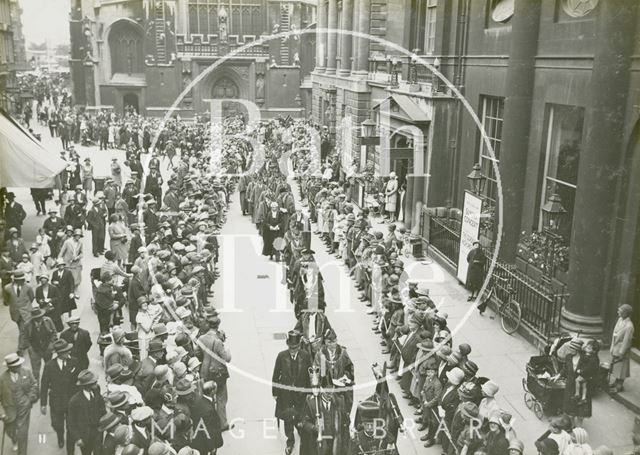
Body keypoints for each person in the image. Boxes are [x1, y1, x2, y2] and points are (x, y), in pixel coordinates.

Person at [272, 330, 312, 455]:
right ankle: (290, 440)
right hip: (286, 394)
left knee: (301, 415)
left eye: (295, 348)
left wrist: (310, 392)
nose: (292, 350)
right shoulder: (281, 356)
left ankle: (300, 429)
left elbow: (309, 375)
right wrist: (275, 392)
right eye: (290, 347)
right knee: (288, 417)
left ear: (299, 346)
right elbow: (275, 375)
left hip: (301, 394)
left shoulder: (305, 356)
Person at [40, 339, 80, 452]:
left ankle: (70, 451)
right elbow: (44, 385)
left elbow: (79, 381)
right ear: (59, 353)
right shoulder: (49, 366)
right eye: (66, 351)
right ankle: (60, 435)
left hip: (71, 400)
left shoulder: (74, 362)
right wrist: (43, 404)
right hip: (56, 401)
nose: (69, 352)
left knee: (71, 426)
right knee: (57, 425)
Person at [0, 353, 39, 455]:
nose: (19, 366)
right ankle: (14, 439)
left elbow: (34, 385)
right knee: (11, 432)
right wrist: (2, 413)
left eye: (19, 364)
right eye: (15, 366)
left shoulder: (27, 372)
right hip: (9, 411)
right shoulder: (2, 379)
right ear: (9, 367)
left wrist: (30, 399)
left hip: (24, 408)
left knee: (22, 434)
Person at [197, 316, 231, 430]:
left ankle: (210, 422)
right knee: (221, 397)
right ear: (217, 326)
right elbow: (226, 358)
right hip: (218, 372)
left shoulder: (201, 338)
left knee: (207, 396)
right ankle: (223, 423)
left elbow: (197, 354)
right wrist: (227, 349)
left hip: (205, 371)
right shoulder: (217, 341)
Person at [68, 370, 106, 454]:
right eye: (94, 382)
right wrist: (77, 438)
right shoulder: (74, 401)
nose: (97, 384)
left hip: (98, 432)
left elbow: (102, 407)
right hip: (84, 436)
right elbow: (71, 422)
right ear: (87, 386)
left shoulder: (96, 390)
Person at [3, 270, 34, 354]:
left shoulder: (28, 287)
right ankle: (27, 343)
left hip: (26, 312)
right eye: (19, 279)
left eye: (22, 279)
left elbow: (32, 297)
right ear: (14, 279)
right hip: (15, 313)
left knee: (23, 330)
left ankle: (20, 348)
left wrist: (26, 307)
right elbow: (6, 301)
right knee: (22, 329)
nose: (21, 281)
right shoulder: (7, 288)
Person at [25, 304, 56, 381]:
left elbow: (54, 332)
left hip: (47, 348)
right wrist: (30, 348)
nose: (39, 319)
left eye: (40, 316)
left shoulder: (48, 320)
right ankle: (36, 386)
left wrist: (51, 344)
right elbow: (25, 337)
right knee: (35, 371)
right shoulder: (27, 324)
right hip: (35, 351)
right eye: (37, 318)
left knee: (49, 367)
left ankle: (49, 383)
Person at [609, 304, 634, 393]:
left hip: (622, 351)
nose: (618, 312)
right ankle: (616, 382)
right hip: (616, 348)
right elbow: (614, 334)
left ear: (625, 313)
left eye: (620, 311)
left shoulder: (629, 326)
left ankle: (619, 386)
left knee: (622, 369)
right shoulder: (620, 320)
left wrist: (621, 353)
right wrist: (612, 347)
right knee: (616, 367)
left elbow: (626, 341)